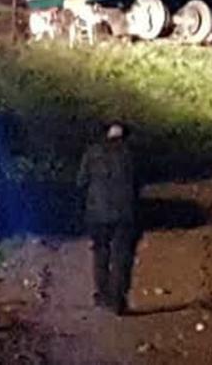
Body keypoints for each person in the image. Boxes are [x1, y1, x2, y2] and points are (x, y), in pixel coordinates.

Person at [76, 123, 138, 315]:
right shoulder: (132, 155)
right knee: (122, 255)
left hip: (97, 212)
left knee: (101, 253)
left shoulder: (92, 153)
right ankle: (118, 299)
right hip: (125, 212)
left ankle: (103, 295)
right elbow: (141, 181)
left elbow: (81, 181)